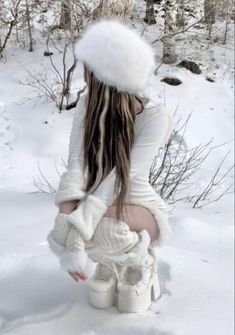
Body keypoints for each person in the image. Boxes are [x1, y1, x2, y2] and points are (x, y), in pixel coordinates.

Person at [47, 19, 174, 313]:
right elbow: (76, 163)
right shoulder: (87, 106)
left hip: (137, 205)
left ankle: (141, 264)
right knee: (65, 224)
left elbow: (123, 177)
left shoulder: (156, 118)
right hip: (97, 202)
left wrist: (78, 237)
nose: (86, 77)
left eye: (90, 71)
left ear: (108, 78)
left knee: (102, 226)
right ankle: (108, 263)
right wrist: (67, 220)